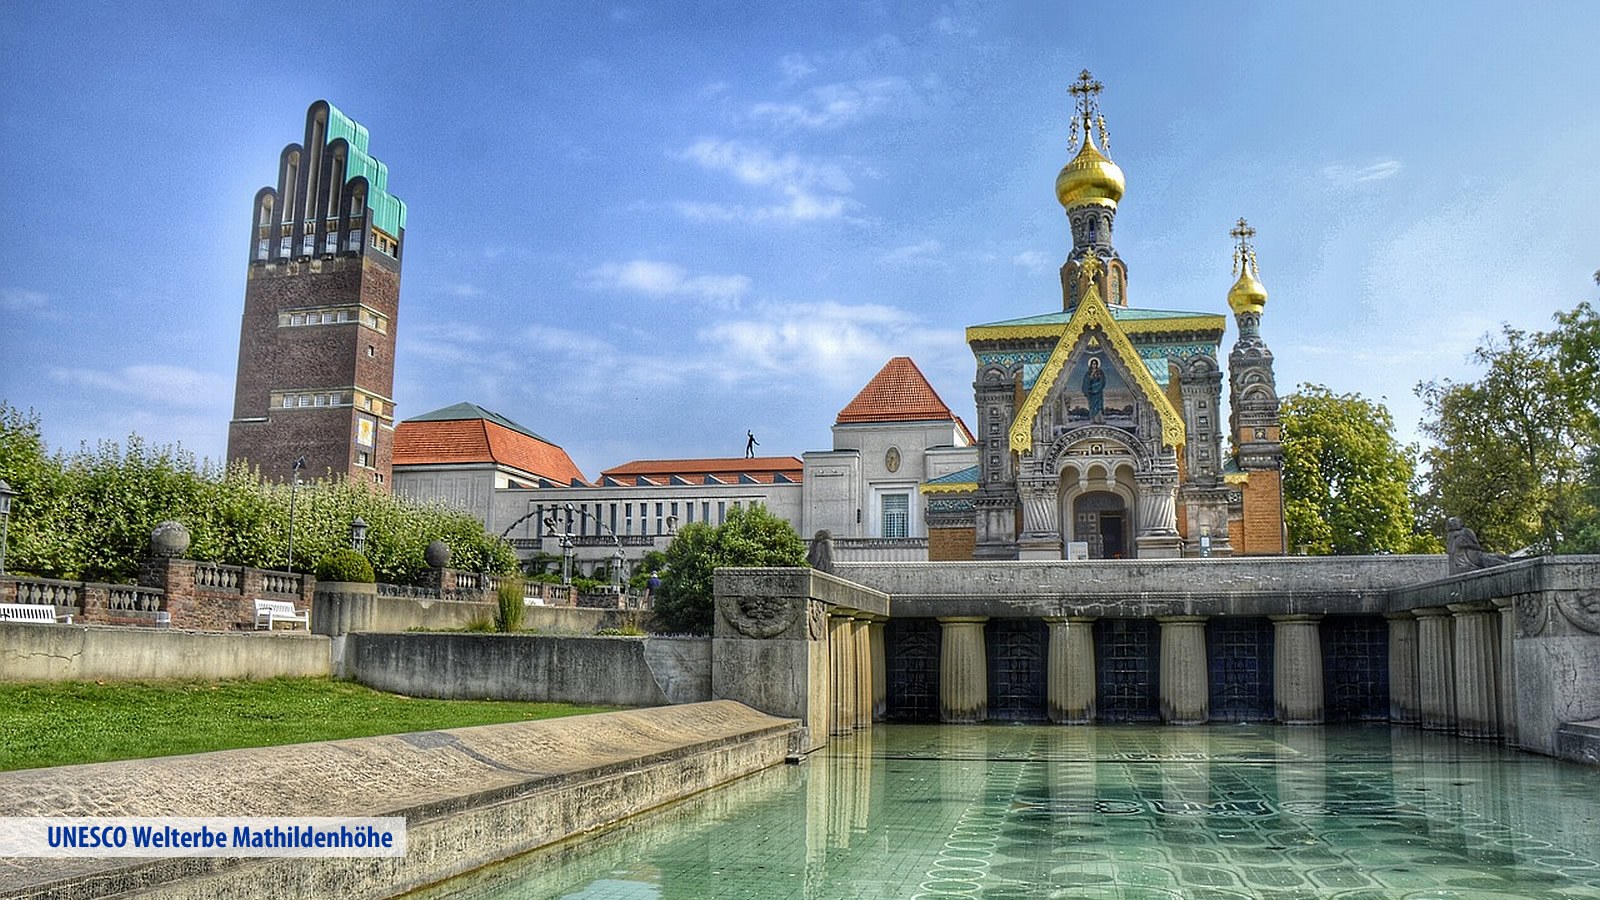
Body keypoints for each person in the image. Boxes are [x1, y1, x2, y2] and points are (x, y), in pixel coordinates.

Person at [1082, 357, 1106, 421]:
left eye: (1095, 364)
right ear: (1091, 365)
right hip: (1091, 394)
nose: (1094, 365)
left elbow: (1102, 382)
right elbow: (1086, 382)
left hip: (1098, 393)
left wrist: (1096, 388)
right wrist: (1088, 390)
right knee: (1092, 406)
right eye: (1092, 364)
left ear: (1097, 364)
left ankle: (1099, 419)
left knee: (1099, 406)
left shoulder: (1100, 373)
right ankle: (1093, 419)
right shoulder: (1088, 373)